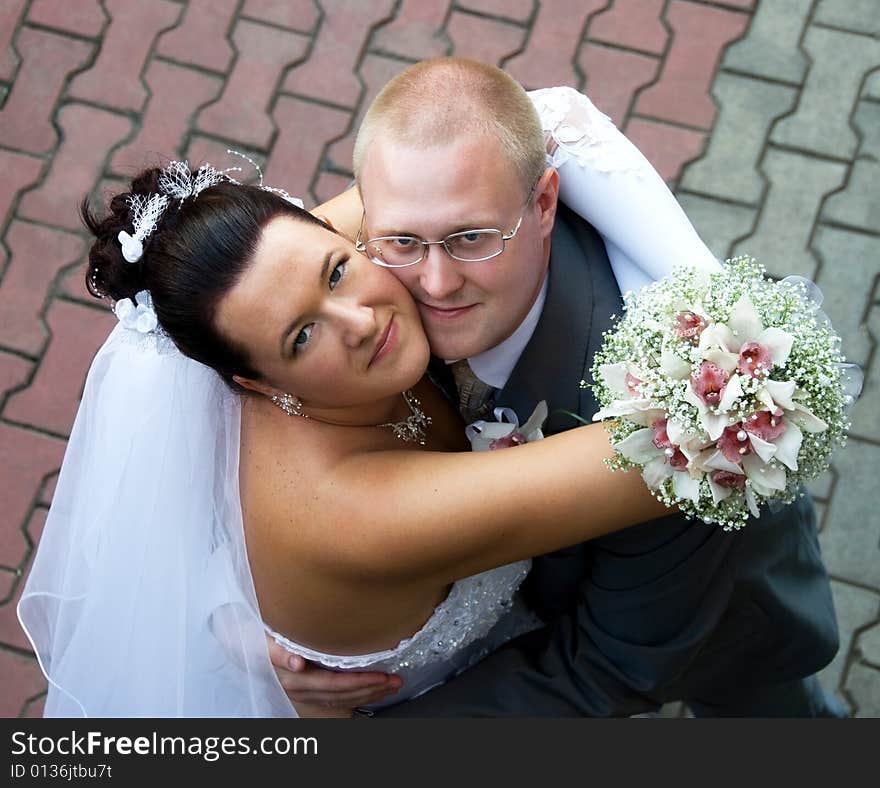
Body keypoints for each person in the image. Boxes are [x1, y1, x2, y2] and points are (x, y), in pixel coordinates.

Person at [16, 146, 681, 717]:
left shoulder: (275, 279)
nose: (359, 322)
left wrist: (227, 617)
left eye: (337, 270)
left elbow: (523, 125)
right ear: (257, 384)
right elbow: (686, 441)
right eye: (304, 336)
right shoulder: (355, 512)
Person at [272, 58, 844, 717]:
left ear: (544, 203)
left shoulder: (677, 417)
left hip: (716, 623)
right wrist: (274, 625)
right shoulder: (376, 309)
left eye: (470, 239)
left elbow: (610, 667)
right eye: (402, 240)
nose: (433, 285)